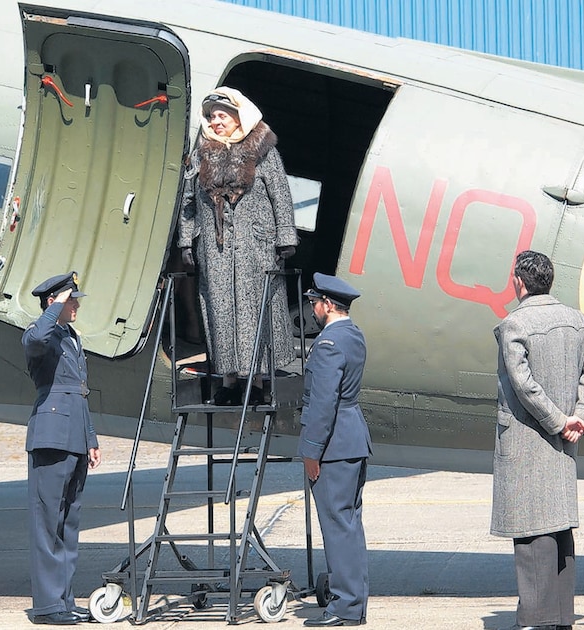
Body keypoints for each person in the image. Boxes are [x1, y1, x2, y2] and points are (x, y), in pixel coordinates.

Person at [491, 250, 584, 630]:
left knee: (530, 535)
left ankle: (539, 621)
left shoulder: (514, 324)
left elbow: (524, 385)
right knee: (559, 534)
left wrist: (558, 421)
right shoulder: (576, 321)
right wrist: (579, 418)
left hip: (528, 442)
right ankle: (560, 619)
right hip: (563, 446)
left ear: (520, 282)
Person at [176, 86, 298, 405]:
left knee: (253, 310)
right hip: (215, 251)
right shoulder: (202, 154)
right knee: (220, 310)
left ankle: (255, 381)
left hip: (256, 247)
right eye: (211, 116)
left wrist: (285, 236)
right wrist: (186, 240)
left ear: (238, 116)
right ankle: (228, 381)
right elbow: (188, 201)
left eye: (222, 115)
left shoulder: (263, 151)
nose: (215, 122)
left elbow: (281, 195)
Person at [22, 271, 102, 625]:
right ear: (54, 302)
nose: (76, 306)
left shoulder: (71, 338)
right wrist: (54, 306)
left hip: (74, 438)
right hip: (51, 437)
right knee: (47, 524)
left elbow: (79, 392)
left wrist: (91, 438)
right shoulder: (40, 335)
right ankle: (47, 606)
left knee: (69, 524)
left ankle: (64, 600)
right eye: (71, 300)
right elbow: (38, 337)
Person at [296, 273, 369, 627]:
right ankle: (353, 602)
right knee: (350, 525)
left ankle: (344, 608)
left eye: (314, 304)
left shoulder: (327, 344)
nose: (312, 309)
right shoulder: (354, 336)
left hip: (334, 446)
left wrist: (311, 450)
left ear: (327, 305)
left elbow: (323, 403)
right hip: (353, 439)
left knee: (338, 526)